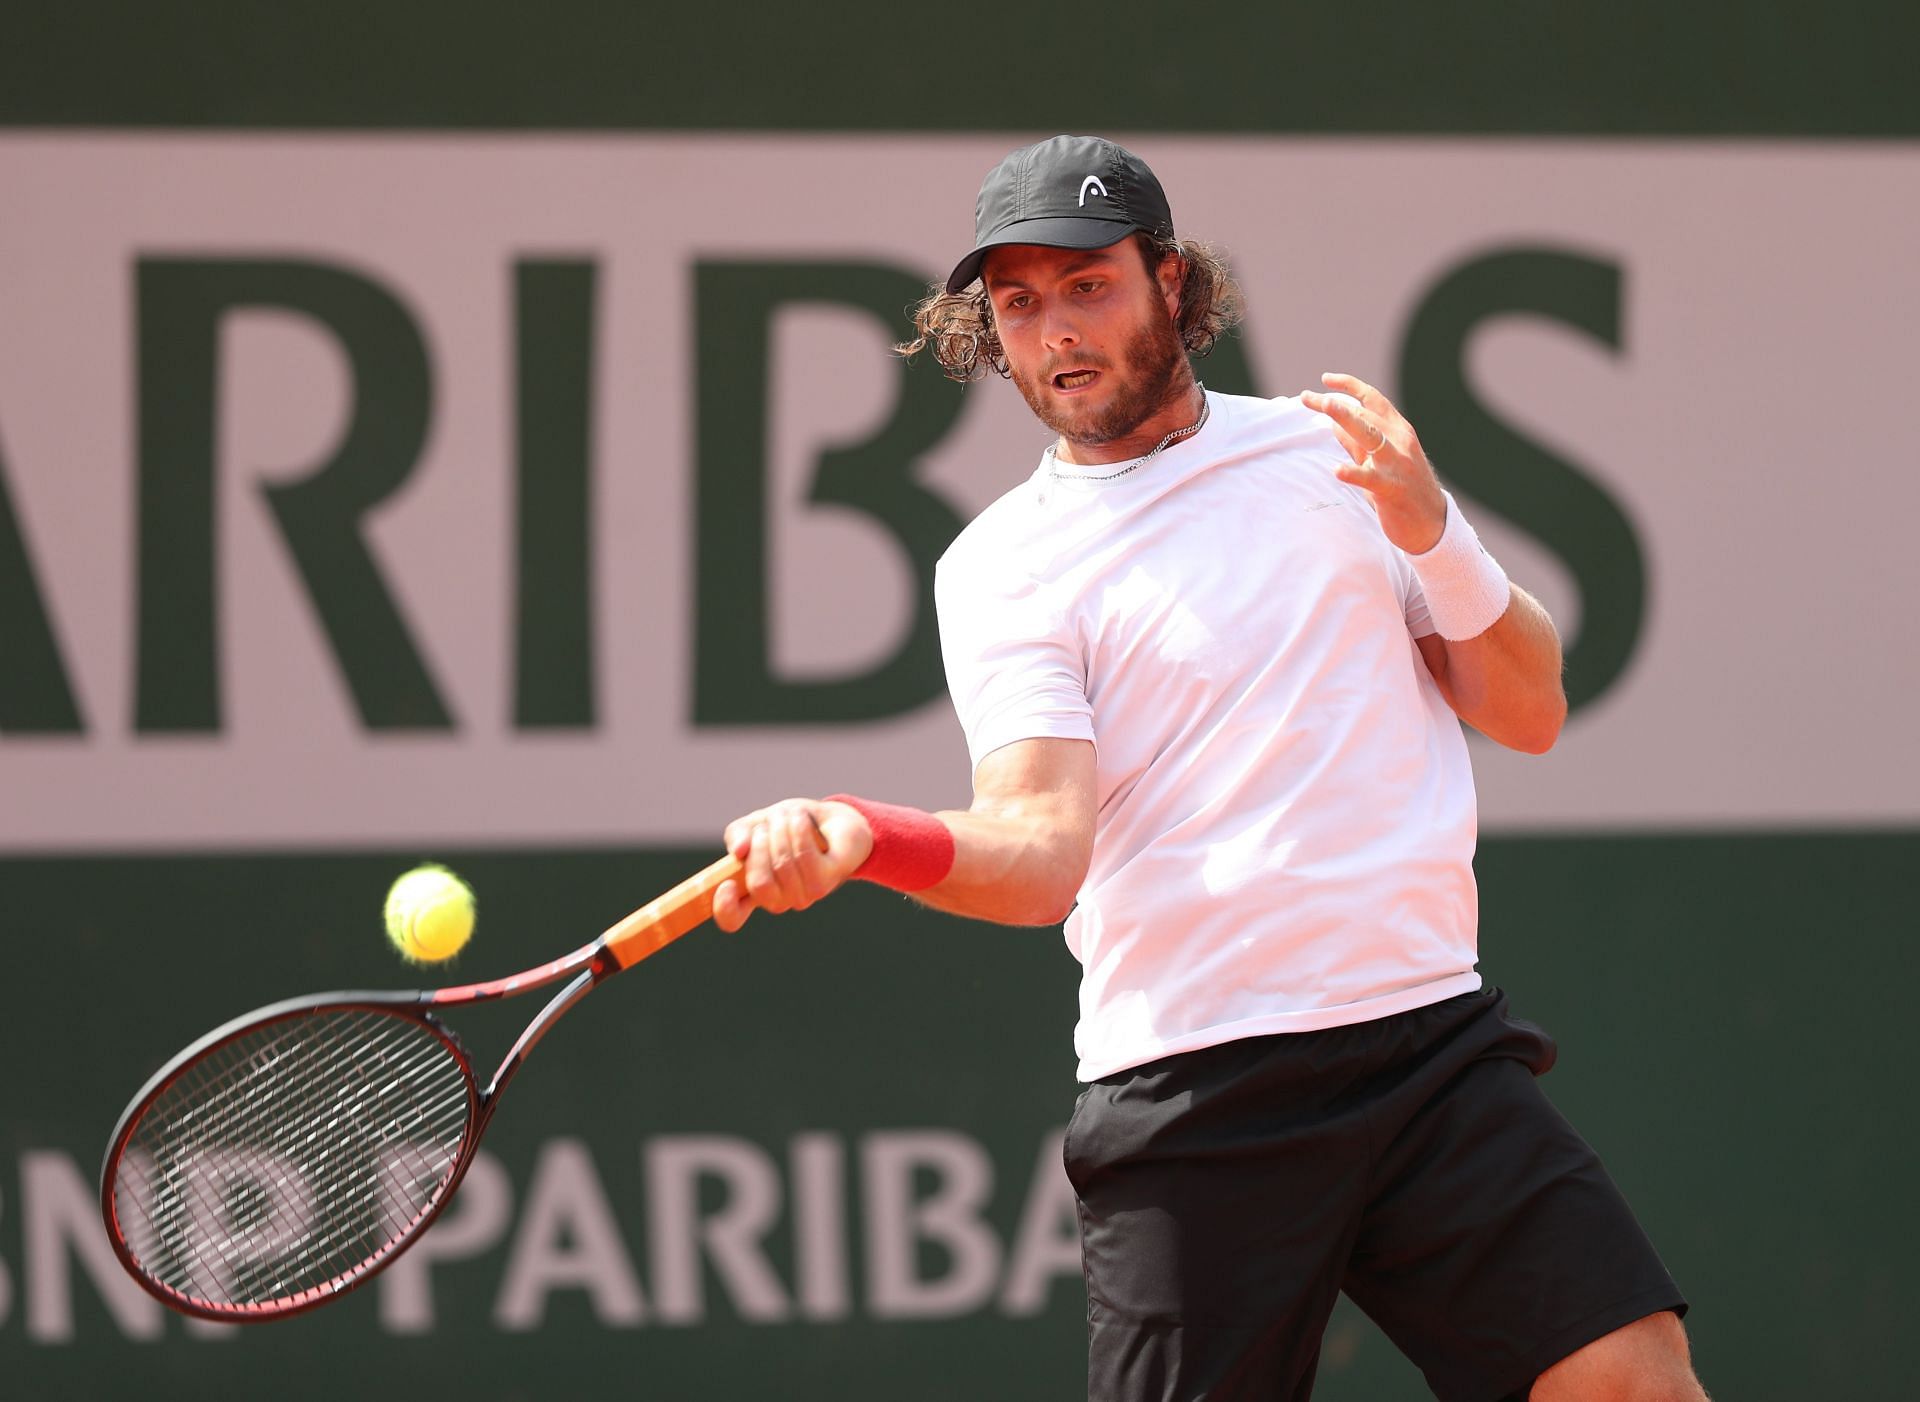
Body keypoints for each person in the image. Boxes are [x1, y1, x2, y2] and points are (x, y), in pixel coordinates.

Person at [712, 135, 1707, 1402]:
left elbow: (1530, 706)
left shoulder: (1328, 460)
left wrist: (1434, 531)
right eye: (1017, 304)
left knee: (1632, 1381)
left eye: (1089, 286)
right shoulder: (1002, 566)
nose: (1056, 331)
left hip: (1428, 1052)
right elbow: (1036, 855)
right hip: (1198, 1094)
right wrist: (868, 831)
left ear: (1172, 286)